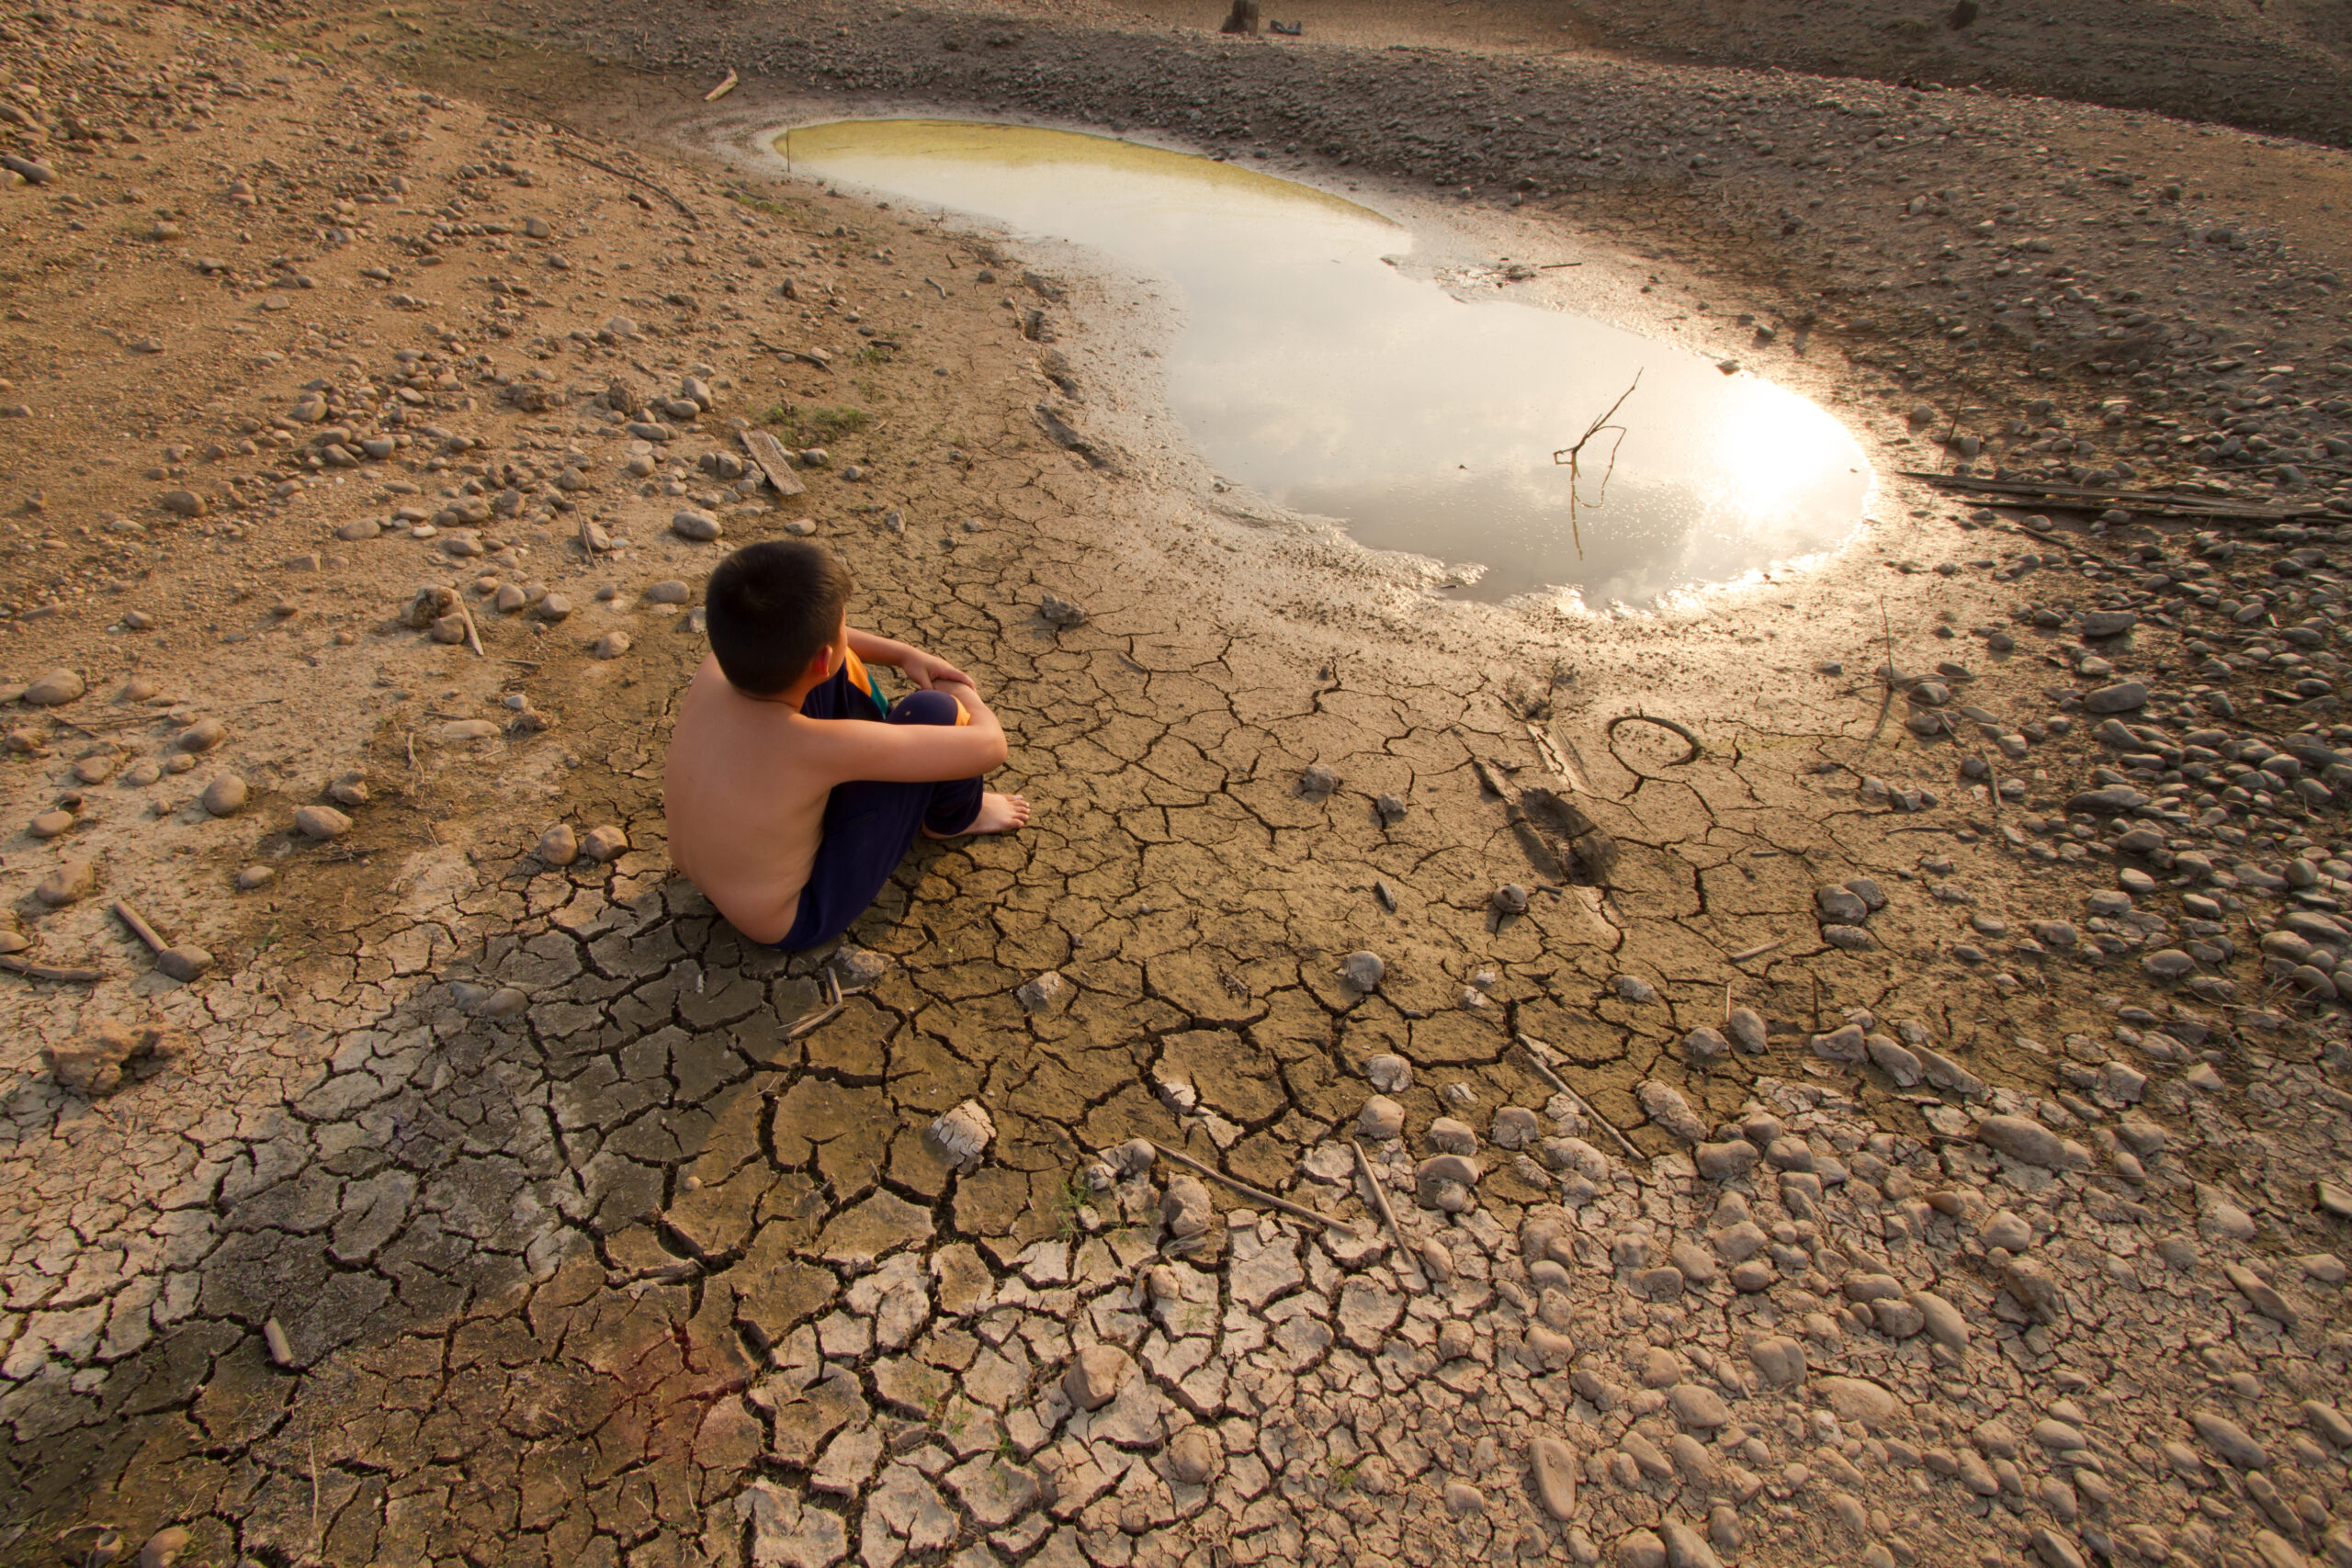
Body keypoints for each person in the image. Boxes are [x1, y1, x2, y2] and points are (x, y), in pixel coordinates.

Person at [663, 539, 1030, 949]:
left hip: (715, 876)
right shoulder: (817, 748)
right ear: (822, 655)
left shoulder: (717, 667)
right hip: (796, 916)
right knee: (936, 710)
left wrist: (903, 655)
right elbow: (990, 746)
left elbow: (819, 644)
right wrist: (963, 693)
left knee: (827, 666)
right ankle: (956, 818)